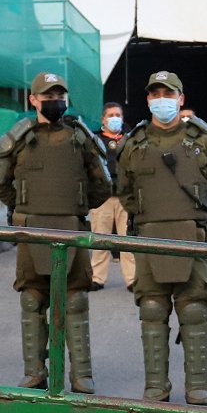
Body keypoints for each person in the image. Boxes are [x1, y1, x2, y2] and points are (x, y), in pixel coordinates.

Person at [0, 72, 112, 393]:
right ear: (32, 99)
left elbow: (103, 184)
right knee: (32, 299)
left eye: (59, 95)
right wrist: (26, 210)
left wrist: (75, 208)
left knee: (75, 300)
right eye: (47, 96)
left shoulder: (81, 137)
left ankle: (81, 375)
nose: (54, 101)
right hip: (32, 231)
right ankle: (35, 372)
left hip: (71, 227)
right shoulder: (16, 139)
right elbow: (1, 185)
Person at [117, 71, 207, 405]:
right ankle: (156, 386)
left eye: (168, 93)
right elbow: (124, 192)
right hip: (150, 238)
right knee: (152, 310)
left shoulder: (206, 139)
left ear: (180, 99)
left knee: (194, 310)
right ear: (148, 99)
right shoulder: (134, 144)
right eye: (155, 94)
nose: (161, 99)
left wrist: (198, 223)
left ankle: (197, 386)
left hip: (192, 238)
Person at [88, 102, 136, 291]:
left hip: (125, 197)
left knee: (128, 242)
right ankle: (97, 278)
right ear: (103, 119)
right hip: (103, 197)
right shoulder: (95, 140)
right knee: (100, 239)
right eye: (111, 115)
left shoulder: (130, 139)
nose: (115, 118)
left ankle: (132, 279)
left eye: (118, 114)